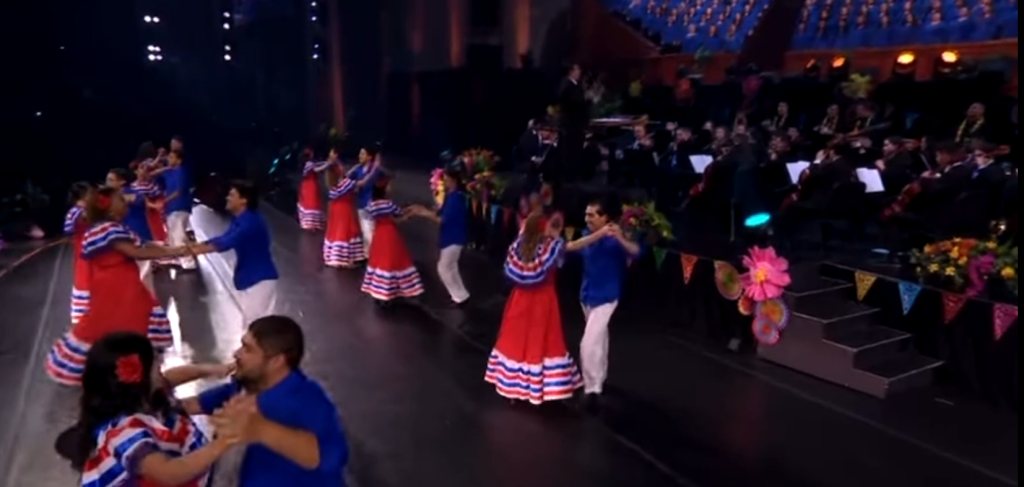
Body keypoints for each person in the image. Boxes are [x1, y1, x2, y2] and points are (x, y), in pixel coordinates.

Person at [179, 316, 349, 487]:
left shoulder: (309, 401)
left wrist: (260, 430)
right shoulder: (245, 387)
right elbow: (191, 405)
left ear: (276, 361)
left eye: (248, 349)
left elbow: (328, 457)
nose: (236, 354)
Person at [46, 186, 188, 386]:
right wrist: (174, 252)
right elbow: (136, 251)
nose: (125, 201)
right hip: (117, 288)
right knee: (123, 321)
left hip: (123, 285)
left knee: (129, 319)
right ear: (109, 207)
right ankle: (127, 370)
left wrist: (171, 249)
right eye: (120, 199)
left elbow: (142, 245)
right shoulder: (106, 229)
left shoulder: (113, 227)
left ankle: (128, 369)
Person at [55, 332, 236, 487]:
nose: (161, 361)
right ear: (139, 379)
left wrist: (208, 370)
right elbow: (168, 473)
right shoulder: (125, 431)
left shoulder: (144, 396)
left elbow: (170, 377)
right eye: (155, 361)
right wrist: (225, 440)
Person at [484, 213, 583, 404]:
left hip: (519, 299)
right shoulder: (550, 248)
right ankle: (539, 388)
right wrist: (600, 234)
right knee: (542, 340)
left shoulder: (519, 246)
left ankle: (514, 388)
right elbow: (573, 246)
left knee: (516, 340)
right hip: (542, 301)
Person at [565, 200, 639, 409]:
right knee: (599, 338)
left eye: (592, 215)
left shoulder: (615, 239)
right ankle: (599, 378)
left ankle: (591, 387)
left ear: (604, 217)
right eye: (586, 215)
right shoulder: (587, 236)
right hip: (587, 295)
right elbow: (570, 247)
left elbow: (635, 251)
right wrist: (598, 234)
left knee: (588, 343)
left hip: (607, 296)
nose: (587, 219)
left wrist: (620, 237)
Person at [186, 180, 281, 325]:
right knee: (252, 324)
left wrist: (190, 250)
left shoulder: (250, 223)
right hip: (252, 279)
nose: (227, 198)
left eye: (231, 195)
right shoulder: (242, 219)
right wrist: (198, 246)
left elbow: (225, 243)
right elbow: (224, 237)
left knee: (255, 326)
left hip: (260, 280)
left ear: (243, 200)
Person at [408, 167, 470, 306]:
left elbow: (441, 219)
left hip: (454, 238)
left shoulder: (456, 199)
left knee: (443, 268)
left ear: (454, 181)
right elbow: (439, 212)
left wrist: (423, 213)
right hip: (449, 237)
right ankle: (461, 296)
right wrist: (421, 210)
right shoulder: (450, 196)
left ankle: (459, 296)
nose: (444, 183)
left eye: (446, 180)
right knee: (451, 267)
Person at [360, 175, 424, 304]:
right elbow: (398, 213)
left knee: (380, 260)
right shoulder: (388, 204)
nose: (391, 187)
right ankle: (397, 290)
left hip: (379, 234)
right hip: (389, 234)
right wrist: (409, 213)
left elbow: (372, 216)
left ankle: (380, 291)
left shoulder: (372, 204)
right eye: (389, 185)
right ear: (384, 188)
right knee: (394, 259)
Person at [322, 150, 364, 269]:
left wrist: (357, 166)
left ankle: (337, 257)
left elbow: (346, 173)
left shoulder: (334, 183)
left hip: (337, 208)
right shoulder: (344, 184)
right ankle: (343, 260)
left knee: (337, 230)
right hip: (343, 208)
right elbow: (359, 183)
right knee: (344, 230)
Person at [64, 181, 94, 325]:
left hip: (94, 247)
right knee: (85, 280)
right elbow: (68, 229)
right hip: (84, 249)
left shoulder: (91, 210)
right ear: (83, 195)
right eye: (89, 193)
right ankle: (82, 317)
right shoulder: (76, 212)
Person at [160, 149, 196, 270]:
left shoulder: (181, 172)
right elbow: (152, 174)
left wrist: (165, 201)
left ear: (179, 160)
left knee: (179, 235)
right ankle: (178, 259)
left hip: (180, 207)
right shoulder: (170, 172)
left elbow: (179, 191)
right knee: (173, 235)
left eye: (171, 157)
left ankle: (188, 262)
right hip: (171, 208)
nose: (168, 159)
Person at [348, 144, 382, 253]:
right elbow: (346, 177)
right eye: (360, 153)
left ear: (369, 157)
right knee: (366, 230)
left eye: (363, 154)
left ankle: (373, 255)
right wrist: (355, 167)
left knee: (370, 231)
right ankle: (369, 254)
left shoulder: (375, 169)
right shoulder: (358, 169)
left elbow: (365, 183)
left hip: (372, 204)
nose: (360, 156)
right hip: (361, 203)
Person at [298, 148, 331, 231]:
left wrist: (326, 162)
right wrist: (328, 164)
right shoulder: (309, 164)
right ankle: (312, 225)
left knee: (308, 203)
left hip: (306, 185)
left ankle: (309, 224)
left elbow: (317, 164)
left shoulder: (306, 163)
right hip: (311, 186)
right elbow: (317, 169)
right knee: (312, 204)